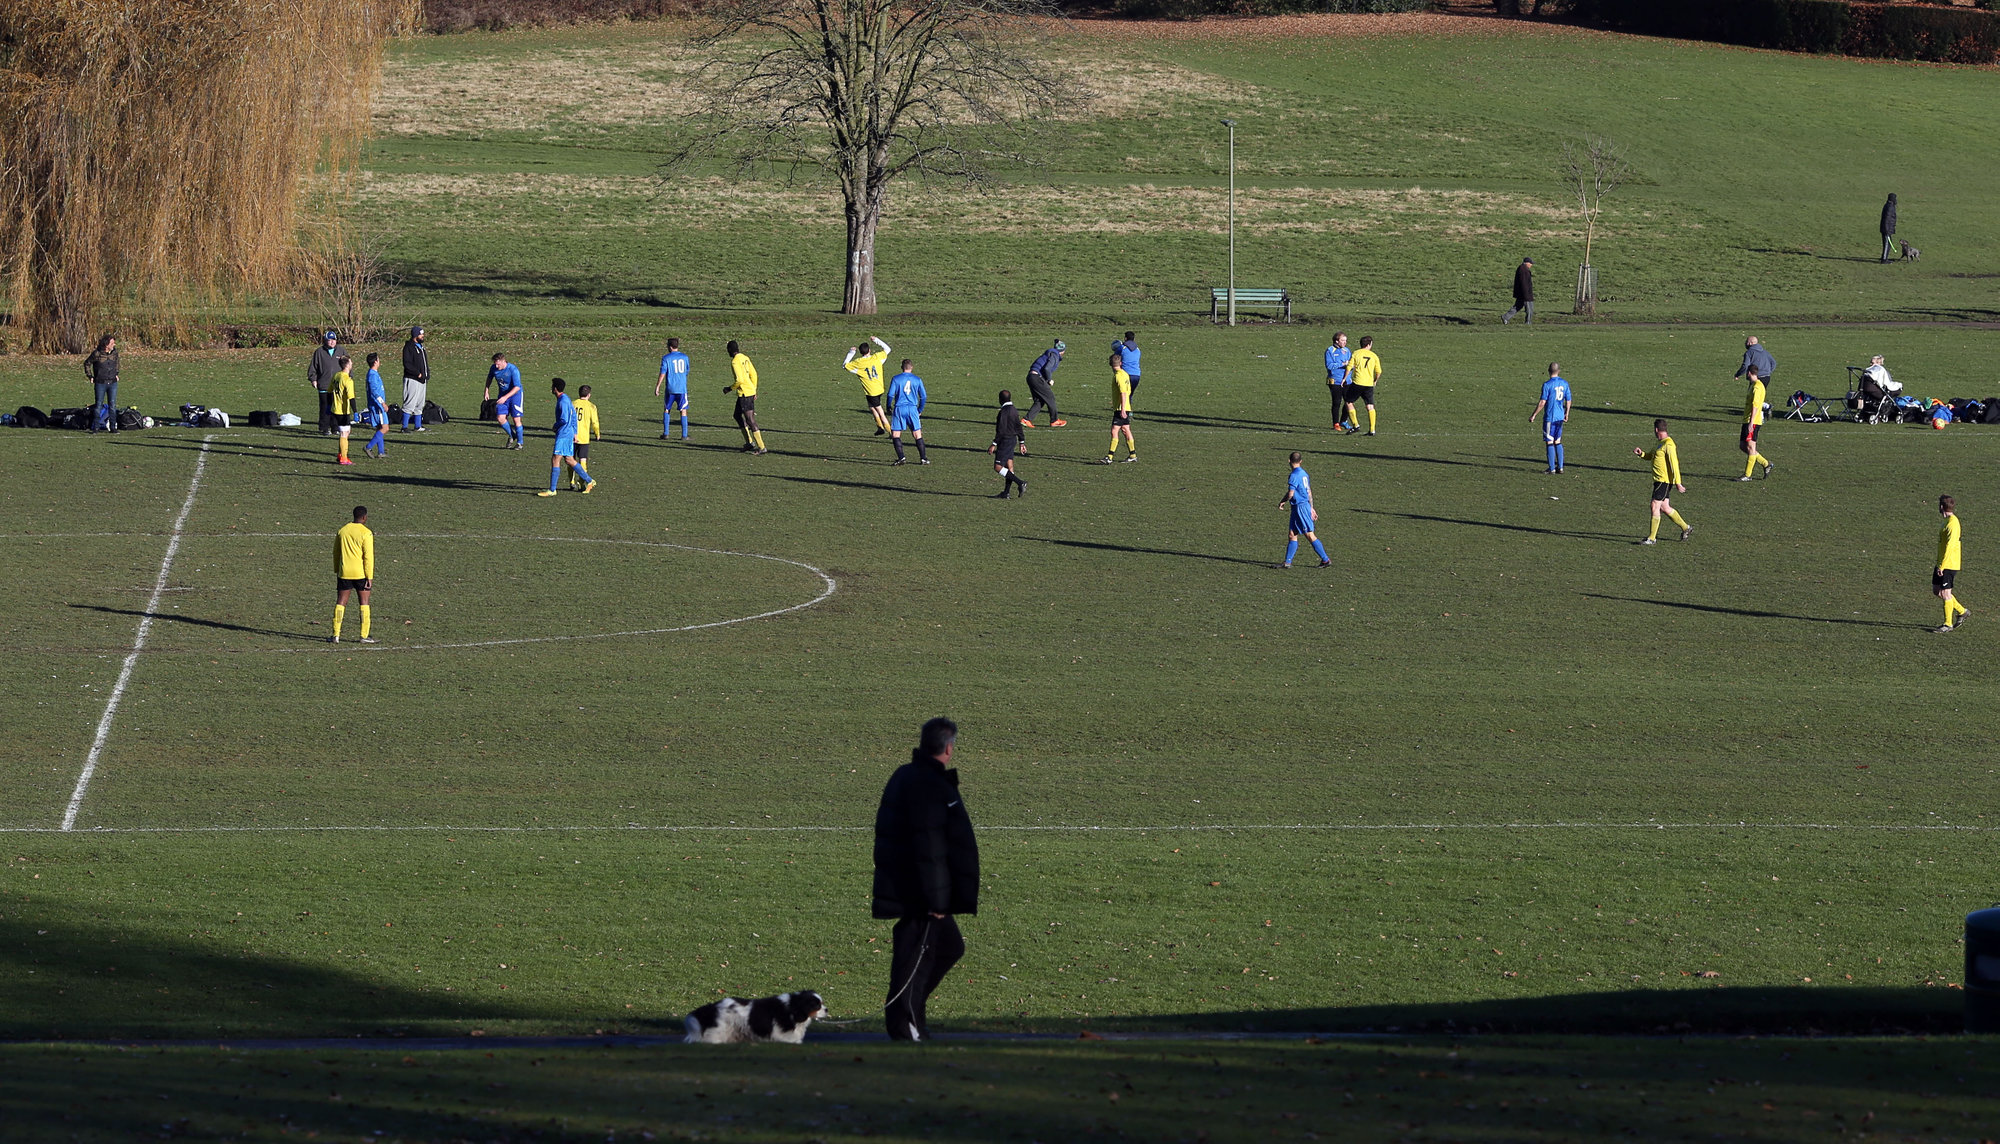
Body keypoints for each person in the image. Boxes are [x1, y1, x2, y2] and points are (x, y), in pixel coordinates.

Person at [871, 716, 979, 1043]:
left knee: (947, 947)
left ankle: (912, 1012)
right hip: (921, 895)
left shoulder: (911, 776)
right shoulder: (926, 784)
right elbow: (929, 846)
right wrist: (936, 900)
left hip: (916, 889)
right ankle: (905, 1024)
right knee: (917, 955)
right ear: (949, 747)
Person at [1634, 418, 1691, 545]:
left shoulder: (1668, 444)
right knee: (1665, 507)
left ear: (1656, 430)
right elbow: (1651, 456)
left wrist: (1678, 482)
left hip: (1663, 481)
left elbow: (1674, 464)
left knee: (1655, 505)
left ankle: (1652, 538)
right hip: (1658, 481)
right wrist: (1641, 454)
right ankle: (1686, 528)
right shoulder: (1659, 443)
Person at [1278, 451, 1331, 569]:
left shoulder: (1293, 476)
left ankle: (1325, 560)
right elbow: (1309, 491)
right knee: (1292, 534)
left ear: (1289, 461)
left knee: (1309, 534)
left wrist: (1283, 501)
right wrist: (1311, 507)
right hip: (1300, 507)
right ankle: (1287, 562)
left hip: (1300, 507)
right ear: (1300, 461)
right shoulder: (1304, 474)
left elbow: (1291, 493)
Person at [331, 505, 375, 644]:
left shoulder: (342, 531)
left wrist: (336, 569)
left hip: (344, 573)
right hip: (361, 573)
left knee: (341, 602)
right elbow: (368, 556)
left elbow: (335, 552)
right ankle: (364, 635)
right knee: (364, 603)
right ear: (364, 517)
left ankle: (335, 634)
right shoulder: (366, 533)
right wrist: (370, 576)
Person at [539, 378, 586, 497]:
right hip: (568, 432)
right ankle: (590, 481)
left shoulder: (562, 401)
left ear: (555, 389)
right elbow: (574, 416)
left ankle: (552, 489)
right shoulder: (566, 399)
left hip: (564, 433)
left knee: (556, 458)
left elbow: (564, 419)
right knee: (569, 459)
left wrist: (555, 426)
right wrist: (575, 433)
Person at [1528, 362, 1572, 474]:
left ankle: (1552, 468)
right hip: (1560, 417)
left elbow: (1542, 402)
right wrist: (1567, 413)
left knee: (1549, 442)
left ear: (1548, 371)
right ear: (1559, 371)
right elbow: (1568, 399)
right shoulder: (1565, 383)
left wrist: (1534, 415)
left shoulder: (1547, 385)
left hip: (1550, 417)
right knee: (1558, 441)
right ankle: (1561, 467)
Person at [724, 339, 766, 455]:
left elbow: (739, 380)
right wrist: (754, 389)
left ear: (730, 350)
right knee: (737, 415)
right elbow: (754, 374)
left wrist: (729, 388)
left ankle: (761, 447)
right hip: (749, 391)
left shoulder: (735, 361)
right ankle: (749, 442)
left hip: (745, 394)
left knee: (750, 419)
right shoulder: (745, 357)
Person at [845, 336, 893, 436]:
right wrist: (876, 340)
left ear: (860, 352)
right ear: (869, 350)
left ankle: (891, 432)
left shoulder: (858, 362)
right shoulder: (877, 358)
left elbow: (845, 365)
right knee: (872, 408)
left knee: (880, 411)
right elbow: (888, 349)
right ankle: (880, 427)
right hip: (879, 388)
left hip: (871, 391)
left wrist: (851, 353)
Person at [1934, 494, 1967, 633]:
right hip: (1941, 562)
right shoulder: (1947, 522)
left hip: (1949, 564)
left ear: (1942, 507)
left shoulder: (1953, 524)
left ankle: (1947, 624)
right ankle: (1962, 611)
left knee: (1946, 593)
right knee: (1937, 590)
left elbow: (1950, 547)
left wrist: (1943, 565)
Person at [886, 359, 929, 466]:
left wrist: (888, 407)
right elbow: (923, 397)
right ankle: (923, 459)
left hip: (900, 408)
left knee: (896, 434)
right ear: (912, 367)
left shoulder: (896, 379)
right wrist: (920, 409)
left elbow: (890, 395)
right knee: (917, 433)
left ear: (902, 367)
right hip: (912, 408)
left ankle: (901, 458)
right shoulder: (917, 380)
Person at [988, 390, 1028, 499]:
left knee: (998, 467)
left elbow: (1001, 430)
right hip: (1012, 440)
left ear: (1000, 399)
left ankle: (1020, 483)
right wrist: (1022, 442)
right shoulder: (1014, 410)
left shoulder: (1004, 411)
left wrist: (994, 443)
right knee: (1009, 467)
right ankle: (1006, 493)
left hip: (1005, 441)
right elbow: (1018, 427)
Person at [1736, 366, 1773, 481]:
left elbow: (1755, 406)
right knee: (1742, 446)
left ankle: (1747, 475)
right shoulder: (1753, 385)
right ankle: (1766, 463)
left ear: (1749, 373)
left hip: (1753, 421)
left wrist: (1751, 422)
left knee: (1751, 447)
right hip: (1747, 420)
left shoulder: (1757, 387)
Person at [1342, 335, 1382, 436]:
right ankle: (1372, 430)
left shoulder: (1356, 353)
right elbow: (1379, 371)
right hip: (1368, 384)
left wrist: (1344, 378)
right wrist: (1375, 380)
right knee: (1370, 406)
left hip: (1357, 383)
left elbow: (1349, 367)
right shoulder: (1374, 356)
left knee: (1348, 402)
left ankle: (1356, 425)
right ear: (1369, 344)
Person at [1101, 349, 1136, 464]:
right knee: (1126, 430)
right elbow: (1128, 390)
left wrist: (1122, 409)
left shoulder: (1118, 376)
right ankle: (1133, 455)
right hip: (1125, 407)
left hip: (1121, 408)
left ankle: (1109, 457)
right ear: (1120, 363)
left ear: (1110, 364)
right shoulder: (1125, 374)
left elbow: (1123, 393)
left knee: (1114, 430)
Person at [1023, 340, 1067, 428]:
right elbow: (1047, 368)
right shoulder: (1055, 355)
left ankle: (1026, 420)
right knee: (1050, 397)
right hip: (1036, 377)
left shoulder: (1049, 353)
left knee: (1040, 400)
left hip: (1031, 377)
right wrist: (1049, 379)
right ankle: (1054, 420)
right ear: (1063, 351)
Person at [485, 352, 525, 448]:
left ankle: (520, 443)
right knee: (500, 418)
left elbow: (517, 387)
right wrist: (486, 391)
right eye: (495, 363)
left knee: (516, 419)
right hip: (503, 396)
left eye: (498, 363)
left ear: (504, 361)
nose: (496, 365)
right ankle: (512, 435)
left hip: (515, 396)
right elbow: (489, 378)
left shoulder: (513, 370)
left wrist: (505, 397)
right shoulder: (493, 368)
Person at [656, 336, 691, 440]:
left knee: (667, 409)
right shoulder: (685, 357)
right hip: (681, 388)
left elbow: (663, 373)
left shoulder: (666, 358)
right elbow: (687, 371)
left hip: (670, 388)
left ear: (670, 347)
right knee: (683, 410)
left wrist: (658, 386)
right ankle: (684, 435)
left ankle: (666, 433)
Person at [84, 334, 119, 434]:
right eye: (112, 343)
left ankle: (113, 427)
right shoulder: (97, 354)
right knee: (98, 405)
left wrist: (116, 373)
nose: (114, 344)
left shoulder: (114, 353)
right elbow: (87, 363)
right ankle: (96, 427)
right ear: (106, 344)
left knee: (112, 405)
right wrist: (90, 376)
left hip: (112, 382)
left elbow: (117, 363)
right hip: (100, 383)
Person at [309, 330, 340, 436]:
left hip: (337, 386)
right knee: (325, 408)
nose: (332, 342)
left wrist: (349, 378)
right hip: (324, 385)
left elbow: (348, 366)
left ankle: (335, 427)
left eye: (334, 340)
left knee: (336, 408)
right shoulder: (319, 352)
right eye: (329, 340)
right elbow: (313, 367)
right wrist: (313, 379)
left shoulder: (341, 351)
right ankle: (324, 428)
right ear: (325, 341)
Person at [1323, 332, 1356, 431]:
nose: (1345, 342)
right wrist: (1342, 364)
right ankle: (1336, 423)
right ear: (1336, 341)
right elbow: (1329, 365)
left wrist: (1352, 366)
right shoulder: (1330, 351)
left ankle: (1344, 420)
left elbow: (1351, 363)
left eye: (1346, 340)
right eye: (1343, 340)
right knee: (1336, 402)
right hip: (1335, 381)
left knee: (1349, 402)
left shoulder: (1347, 350)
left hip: (1347, 381)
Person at [571, 383, 601, 493]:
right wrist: (597, 433)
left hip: (572, 437)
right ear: (589, 395)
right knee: (582, 460)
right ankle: (582, 482)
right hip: (584, 438)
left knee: (571, 460)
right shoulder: (591, 406)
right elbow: (595, 422)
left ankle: (571, 482)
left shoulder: (572, 404)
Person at [328, 354, 357, 465]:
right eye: (351, 362)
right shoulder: (348, 380)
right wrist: (356, 412)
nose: (352, 363)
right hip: (343, 410)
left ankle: (340, 454)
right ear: (348, 365)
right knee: (344, 433)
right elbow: (351, 397)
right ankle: (344, 458)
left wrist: (328, 406)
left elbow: (329, 391)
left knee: (346, 431)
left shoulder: (336, 375)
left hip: (335, 408)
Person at [400, 326, 430, 432]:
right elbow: (407, 364)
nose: (423, 336)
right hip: (412, 379)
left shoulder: (421, 347)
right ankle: (404, 426)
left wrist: (426, 374)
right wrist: (418, 374)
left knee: (420, 403)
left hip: (422, 380)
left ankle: (418, 425)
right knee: (410, 402)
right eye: (421, 334)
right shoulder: (409, 347)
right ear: (415, 335)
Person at [361, 352, 389, 459]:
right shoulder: (372, 375)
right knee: (385, 428)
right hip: (377, 406)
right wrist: (382, 403)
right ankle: (368, 447)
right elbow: (374, 392)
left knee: (380, 428)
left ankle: (381, 452)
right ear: (376, 361)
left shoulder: (372, 373)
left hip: (376, 405)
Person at [1503, 257, 1534, 325]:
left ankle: (1506, 317)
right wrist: (1526, 294)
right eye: (1531, 263)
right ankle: (1528, 322)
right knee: (1529, 309)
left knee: (1517, 306)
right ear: (1527, 263)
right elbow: (1524, 283)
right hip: (1525, 294)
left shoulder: (1522, 268)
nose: (1531, 265)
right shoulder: (1524, 270)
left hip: (1521, 293)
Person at [1880, 193, 1898, 264]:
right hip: (1886, 229)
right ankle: (1884, 260)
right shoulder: (1890, 207)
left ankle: (1884, 257)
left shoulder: (1888, 205)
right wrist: (1887, 230)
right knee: (1887, 244)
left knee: (1887, 244)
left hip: (1886, 228)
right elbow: (1887, 219)